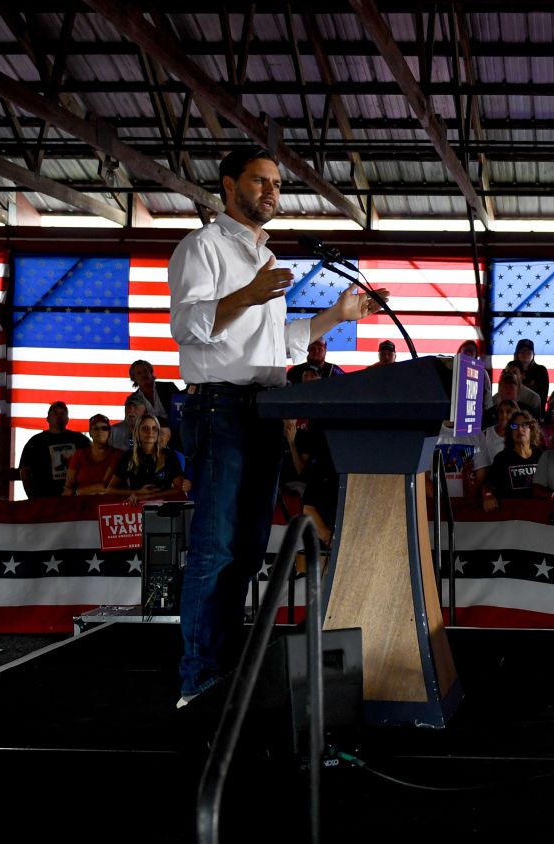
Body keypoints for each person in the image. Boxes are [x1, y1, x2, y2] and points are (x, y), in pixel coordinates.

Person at [169, 146, 387, 708]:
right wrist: (243, 296)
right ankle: (197, 681)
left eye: (277, 184)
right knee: (215, 549)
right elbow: (189, 328)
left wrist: (337, 317)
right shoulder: (204, 248)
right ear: (228, 185)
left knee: (245, 551)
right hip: (219, 408)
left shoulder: (263, 259)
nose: (271, 191)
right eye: (260, 181)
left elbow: (278, 344)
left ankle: (226, 668)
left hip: (264, 407)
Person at [106, 415, 189, 503]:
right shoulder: (128, 456)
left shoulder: (169, 455)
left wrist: (149, 496)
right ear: (137, 432)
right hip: (137, 509)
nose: (150, 432)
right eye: (145, 428)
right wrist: (136, 493)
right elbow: (110, 490)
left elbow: (179, 488)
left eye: (154, 428)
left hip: (164, 509)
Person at [19, 400, 90, 498]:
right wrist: (32, 498)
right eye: (55, 413)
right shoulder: (35, 442)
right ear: (47, 418)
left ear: (67, 419)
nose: (59, 416)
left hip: (76, 500)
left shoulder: (80, 440)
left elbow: (95, 462)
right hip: (46, 499)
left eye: (62, 413)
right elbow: (24, 472)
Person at [482, 411, 543, 512]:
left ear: (531, 429)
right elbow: (488, 485)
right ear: (510, 431)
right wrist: (488, 496)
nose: (519, 429)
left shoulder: (541, 455)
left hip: (537, 512)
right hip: (510, 514)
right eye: (515, 426)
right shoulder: (502, 458)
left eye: (524, 425)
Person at [63, 413, 122, 495]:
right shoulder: (80, 454)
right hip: (82, 504)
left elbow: (106, 486)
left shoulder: (117, 454)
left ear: (109, 432)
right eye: (96, 428)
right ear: (90, 432)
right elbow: (69, 485)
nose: (100, 431)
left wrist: (79, 492)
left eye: (104, 428)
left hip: (107, 503)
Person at [127, 359, 182, 433]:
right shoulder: (132, 400)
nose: (144, 375)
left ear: (151, 372)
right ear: (134, 378)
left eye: (145, 371)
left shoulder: (169, 387)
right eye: (139, 373)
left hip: (175, 432)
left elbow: (182, 412)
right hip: (149, 436)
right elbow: (131, 425)